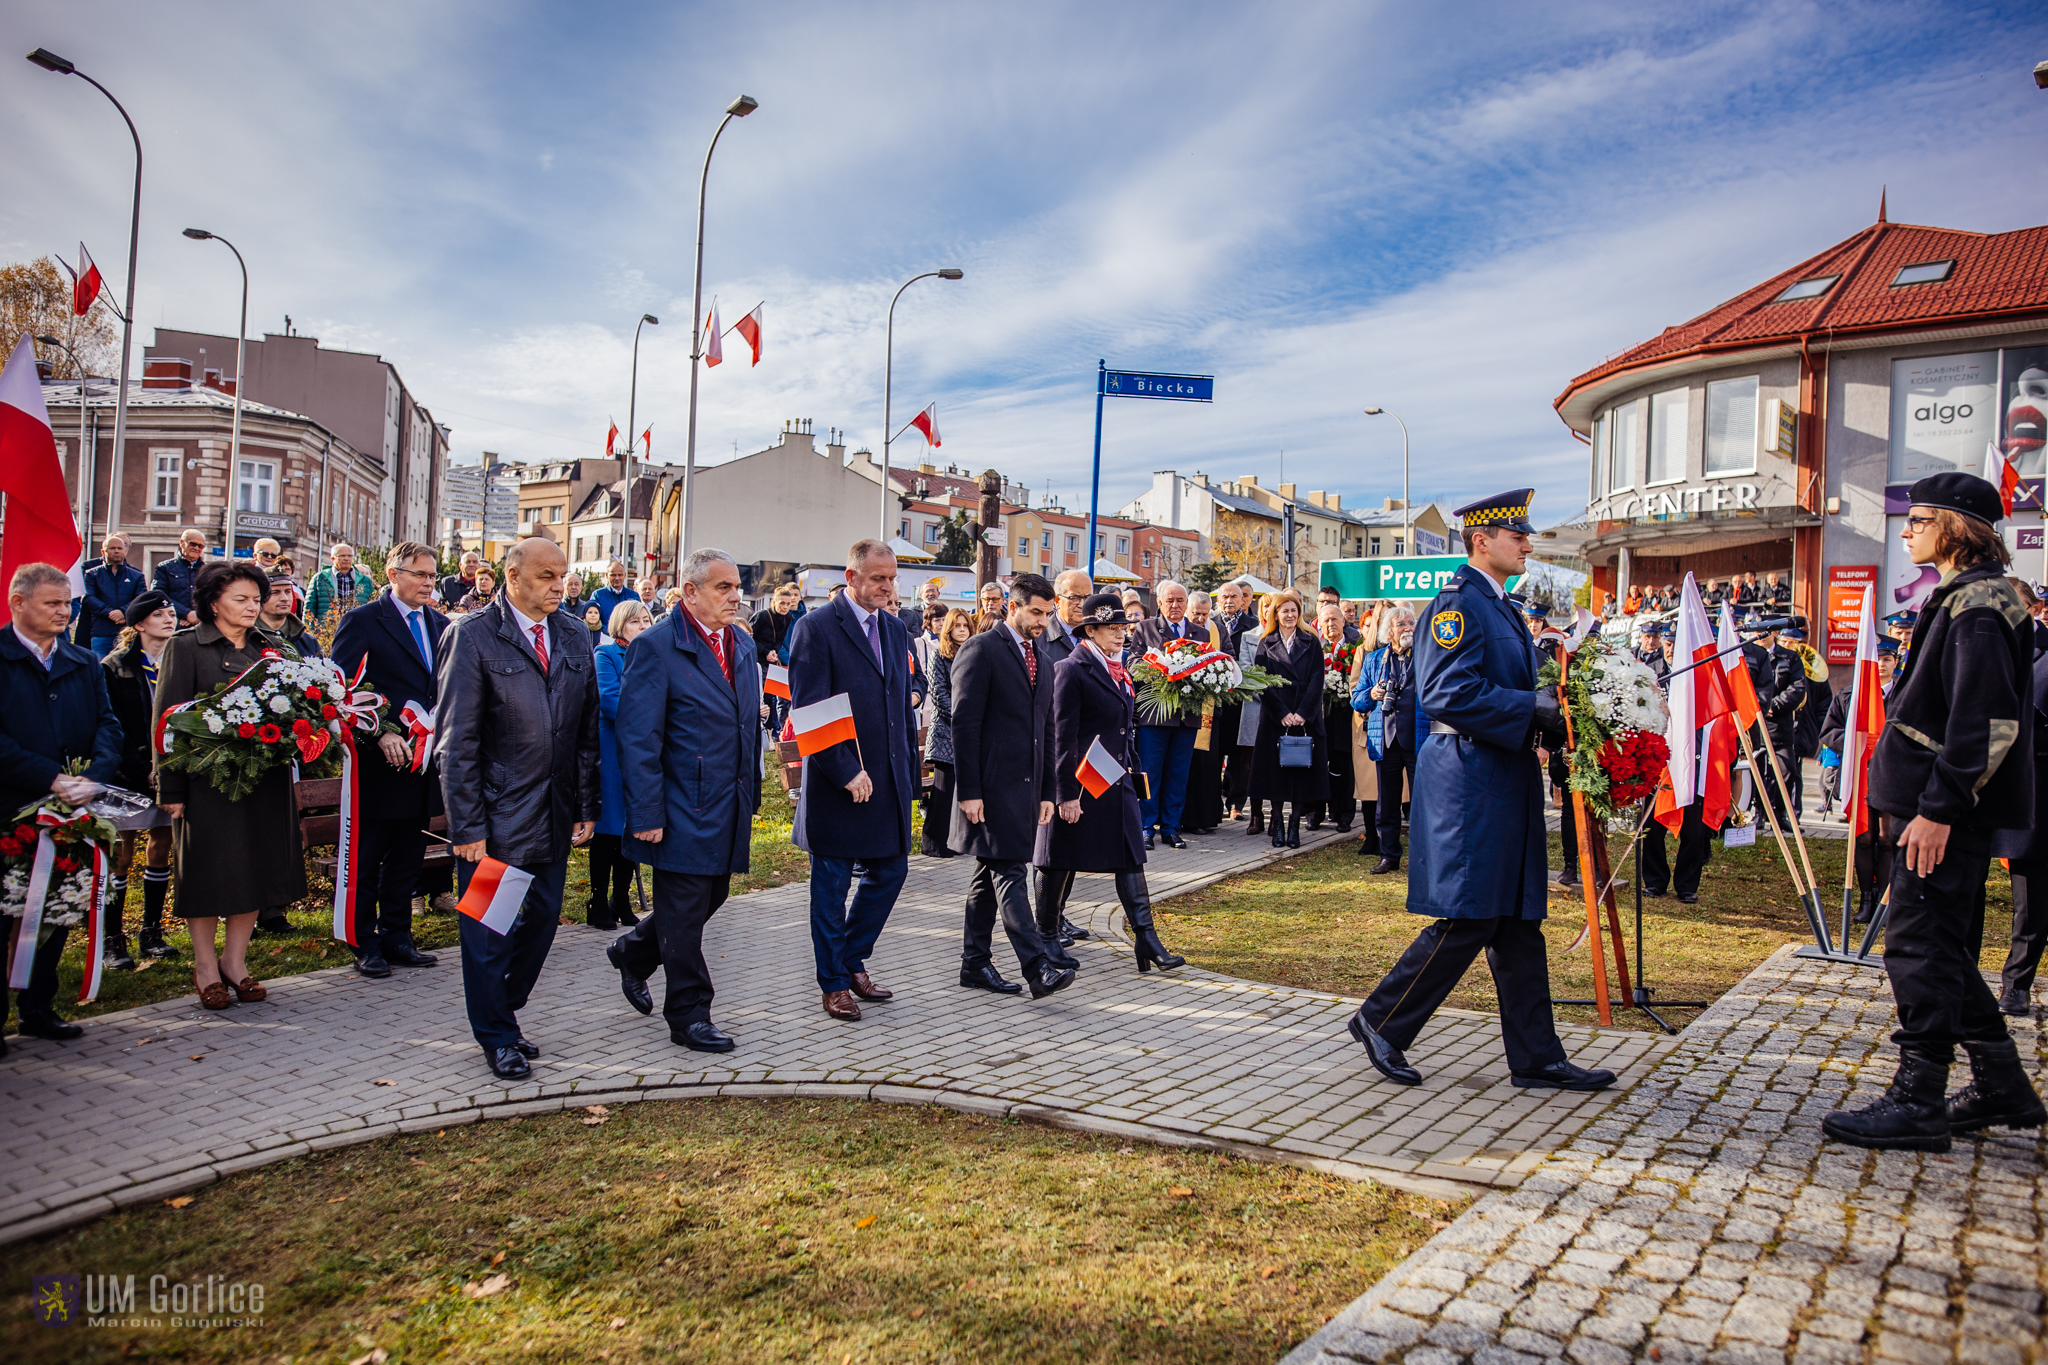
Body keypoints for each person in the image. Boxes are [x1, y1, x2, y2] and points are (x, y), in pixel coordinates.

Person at [1344, 489, 1615, 1093]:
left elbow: (1516, 690)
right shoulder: (1456, 605)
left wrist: (1559, 710)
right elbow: (1444, 694)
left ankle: (1537, 1056)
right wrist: (1532, 709)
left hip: (1501, 773)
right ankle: (1381, 1019)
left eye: (1526, 535)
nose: (1527, 543)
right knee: (1470, 916)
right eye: (1517, 535)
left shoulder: (1508, 609)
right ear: (1480, 541)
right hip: (1469, 780)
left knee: (1517, 920)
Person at [1824, 472, 2045, 1151]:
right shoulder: (1965, 597)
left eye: (1919, 517)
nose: (1907, 528)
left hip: (1940, 816)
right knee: (1944, 951)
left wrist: (1940, 809)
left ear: (1958, 526)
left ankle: (1918, 1098)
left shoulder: (1976, 605)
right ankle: (2002, 1083)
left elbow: (1989, 723)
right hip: (1933, 810)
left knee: (1918, 950)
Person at [435, 537, 600, 1080]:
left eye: (563, 575)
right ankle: (497, 1035)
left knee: (545, 919)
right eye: (546, 576)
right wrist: (467, 825)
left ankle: (501, 1008)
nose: (559, 585)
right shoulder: (473, 636)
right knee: (488, 931)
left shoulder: (575, 634)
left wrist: (586, 802)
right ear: (512, 577)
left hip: (553, 813)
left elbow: (585, 732)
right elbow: (455, 741)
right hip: (495, 820)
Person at [605, 549, 760, 1050]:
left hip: (726, 799)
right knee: (686, 908)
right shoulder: (655, 646)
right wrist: (646, 813)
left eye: (737, 586)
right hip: (678, 805)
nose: (735, 596)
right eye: (723, 588)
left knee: (708, 897)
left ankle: (633, 952)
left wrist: (750, 793)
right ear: (690, 592)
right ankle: (690, 1014)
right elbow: (638, 737)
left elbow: (745, 726)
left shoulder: (740, 644)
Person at [152, 561, 305, 1013]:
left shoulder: (272, 647)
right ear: (212, 602)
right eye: (241, 599)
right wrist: (171, 789)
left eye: (256, 599)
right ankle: (204, 968)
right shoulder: (186, 648)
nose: (251, 607)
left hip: (263, 781)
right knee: (206, 875)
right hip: (207, 786)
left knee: (255, 871)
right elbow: (166, 725)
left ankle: (234, 963)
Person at [788, 539, 919, 1020]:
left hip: (888, 779)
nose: (888, 587)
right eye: (878, 578)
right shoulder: (816, 628)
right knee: (831, 884)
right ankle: (834, 983)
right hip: (840, 782)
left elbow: (900, 705)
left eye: (892, 577)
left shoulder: (895, 628)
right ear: (852, 576)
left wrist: (910, 772)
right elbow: (810, 712)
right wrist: (846, 770)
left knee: (892, 872)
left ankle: (850, 958)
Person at [0, 563, 122, 1048]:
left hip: (72, 810)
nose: (63, 611)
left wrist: (92, 778)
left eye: (67, 603)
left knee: (55, 909)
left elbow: (109, 726)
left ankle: (38, 1009)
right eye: (52, 603)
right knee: (7, 912)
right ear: (18, 603)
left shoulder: (82, 661)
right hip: (14, 805)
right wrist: (49, 777)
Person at [1038, 592, 1186, 976]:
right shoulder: (1072, 668)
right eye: (1112, 628)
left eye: (1123, 628)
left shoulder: (1119, 667)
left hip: (1114, 780)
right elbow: (1061, 736)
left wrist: (1133, 768)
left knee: (1131, 855)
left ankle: (1146, 938)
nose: (1121, 635)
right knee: (1059, 859)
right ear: (1091, 630)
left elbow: (1124, 727)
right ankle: (1046, 936)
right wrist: (1065, 793)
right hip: (1081, 784)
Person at [947, 573, 1071, 999]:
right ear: (1011, 607)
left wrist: (1046, 792)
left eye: (1048, 613)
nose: (1043, 621)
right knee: (1010, 872)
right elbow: (963, 725)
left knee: (989, 874)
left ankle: (975, 964)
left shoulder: (1044, 657)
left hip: (1027, 787)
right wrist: (969, 790)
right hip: (989, 788)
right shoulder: (981, 649)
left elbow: (1048, 727)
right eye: (1036, 612)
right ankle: (1038, 966)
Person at [328, 543, 449, 976]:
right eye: (420, 574)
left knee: (407, 854)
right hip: (379, 761)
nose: (428, 583)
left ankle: (398, 936)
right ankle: (364, 941)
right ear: (393, 574)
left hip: (422, 762)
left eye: (433, 576)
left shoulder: (440, 624)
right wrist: (379, 733)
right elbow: (338, 688)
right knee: (368, 855)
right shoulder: (363, 620)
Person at [100, 590, 178, 967]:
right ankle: (112, 938)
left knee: (161, 849)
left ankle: (151, 931)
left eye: (171, 612)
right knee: (121, 854)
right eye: (159, 614)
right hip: (127, 772)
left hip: (168, 771)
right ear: (138, 624)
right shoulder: (115, 666)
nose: (169, 618)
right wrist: (138, 766)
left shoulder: (179, 661)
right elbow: (111, 724)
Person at [1818, 637, 1900, 921]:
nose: (1881, 665)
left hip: (1893, 777)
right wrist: (1855, 741)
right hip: (1860, 776)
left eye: (1887, 659)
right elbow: (1828, 732)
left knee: (1888, 839)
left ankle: (1884, 902)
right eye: (1876, 659)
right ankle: (1866, 900)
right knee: (1864, 838)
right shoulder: (1848, 695)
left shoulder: (1905, 694)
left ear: (1896, 662)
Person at [1997, 581, 2048, 1015]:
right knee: (2022, 901)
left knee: (2033, 894)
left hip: (2037, 786)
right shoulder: (1985, 645)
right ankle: (2005, 982)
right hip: (1987, 790)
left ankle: (2018, 982)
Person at [589, 600, 655, 931]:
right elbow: (611, 700)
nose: (643, 625)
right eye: (635, 622)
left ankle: (622, 898)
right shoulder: (606, 655)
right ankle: (597, 900)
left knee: (632, 827)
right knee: (609, 830)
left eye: (647, 620)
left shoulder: (653, 655)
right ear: (619, 626)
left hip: (642, 753)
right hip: (613, 751)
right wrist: (651, 717)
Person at [1248, 589, 1327, 848]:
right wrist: (1282, 713)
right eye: (1285, 611)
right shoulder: (1266, 642)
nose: (1290, 615)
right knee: (1276, 774)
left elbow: (1318, 679)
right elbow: (1262, 681)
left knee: (1301, 774)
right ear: (1276, 614)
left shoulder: (1312, 641)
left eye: (1294, 610)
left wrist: (1303, 713)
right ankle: (1279, 824)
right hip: (1276, 718)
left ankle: (1295, 825)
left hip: (1305, 717)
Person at [1129, 580, 1203, 849]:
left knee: (1178, 774)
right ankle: (1146, 827)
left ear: (1187, 603)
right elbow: (1133, 662)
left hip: (1187, 716)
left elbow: (1216, 663)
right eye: (1169, 600)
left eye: (1180, 600)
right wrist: (1161, 667)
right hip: (1155, 716)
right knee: (1150, 773)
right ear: (1159, 603)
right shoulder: (1145, 628)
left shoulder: (1201, 633)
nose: (1175, 605)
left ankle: (1171, 828)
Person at [1355, 605, 1419, 873]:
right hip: (1386, 739)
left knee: (1421, 803)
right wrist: (1372, 694)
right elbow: (1356, 699)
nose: (1407, 628)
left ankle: (1422, 858)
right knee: (1387, 804)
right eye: (1401, 624)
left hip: (1419, 739)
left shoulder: (1426, 656)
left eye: (1411, 623)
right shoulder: (1374, 659)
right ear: (1388, 631)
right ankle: (1389, 855)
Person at [923, 608, 973, 859]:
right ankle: (934, 844)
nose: (962, 629)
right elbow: (940, 694)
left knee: (964, 790)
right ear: (948, 629)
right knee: (944, 791)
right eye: (957, 625)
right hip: (946, 731)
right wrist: (963, 719)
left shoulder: (975, 653)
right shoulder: (939, 656)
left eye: (966, 625)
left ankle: (958, 841)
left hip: (970, 731)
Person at [1179, 589, 1228, 834]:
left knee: (1207, 768)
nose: (1199, 618)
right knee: (1185, 765)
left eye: (1204, 614)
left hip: (1210, 709)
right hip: (1184, 709)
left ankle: (1203, 817)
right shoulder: (1183, 630)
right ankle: (1181, 816)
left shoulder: (1218, 630)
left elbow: (1229, 660)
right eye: (1195, 613)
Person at [1307, 598, 1357, 833]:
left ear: (1344, 621)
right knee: (1317, 765)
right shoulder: (1314, 646)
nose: (1330, 624)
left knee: (1343, 766)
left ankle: (1343, 814)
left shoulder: (1355, 647)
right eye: (1325, 620)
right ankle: (1315, 813)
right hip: (1318, 716)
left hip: (1345, 716)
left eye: (1334, 619)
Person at [1211, 581, 1258, 823]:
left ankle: (1236, 803)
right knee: (1215, 752)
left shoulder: (1254, 625)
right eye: (1225, 596)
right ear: (1218, 600)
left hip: (1241, 700)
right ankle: (1214, 802)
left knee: (1240, 757)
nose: (1229, 601)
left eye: (1234, 597)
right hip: (1216, 700)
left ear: (1243, 600)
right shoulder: (1210, 624)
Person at [750, 582, 802, 736]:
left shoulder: (788, 617)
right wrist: (766, 651)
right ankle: (761, 727)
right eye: (781, 603)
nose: (785, 607)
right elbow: (748, 638)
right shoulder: (762, 616)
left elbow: (779, 640)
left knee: (771, 693)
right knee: (759, 692)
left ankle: (772, 730)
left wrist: (773, 651)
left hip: (771, 658)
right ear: (773, 602)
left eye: (788, 604)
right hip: (756, 658)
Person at [80, 535, 145, 657]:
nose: (116, 551)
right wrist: (110, 613)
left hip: (128, 632)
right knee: (101, 671)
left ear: (125, 551)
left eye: (119, 548)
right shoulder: (92, 574)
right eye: (112, 548)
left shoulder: (136, 576)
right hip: (101, 632)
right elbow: (88, 598)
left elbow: (140, 599)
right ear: (103, 551)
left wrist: (122, 612)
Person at [257, 573, 323, 660]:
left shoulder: (309, 642)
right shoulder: (245, 638)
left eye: (288, 592)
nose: (285, 598)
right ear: (259, 598)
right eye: (275, 593)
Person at [154, 528, 208, 626]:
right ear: (182, 543)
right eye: (193, 544)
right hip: (172, 623)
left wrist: (198, 616)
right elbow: (159, 595)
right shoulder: (165, 567)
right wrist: (186, 614)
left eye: (200, 546)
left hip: (201, 624)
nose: (196, 548)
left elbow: (212, 597)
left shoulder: (207, 570)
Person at [305, 542, 369, 623]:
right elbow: (309, 608)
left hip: (356, 629)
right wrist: (309, 631)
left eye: (349, 556)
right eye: (342, 556)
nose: (346, 558)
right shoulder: (320, 578)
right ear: (332, 558)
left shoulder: (365, 580)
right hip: (327, 630)